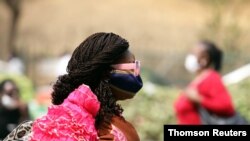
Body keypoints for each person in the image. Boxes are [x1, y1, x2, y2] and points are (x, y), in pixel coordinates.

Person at [4, 32, 143, 141]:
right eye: (132, 67)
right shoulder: (82, 128)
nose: (137, 73)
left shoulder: (111, 120)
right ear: (105, 72)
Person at [174, 40, 235, 124]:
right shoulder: (198, 79)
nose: (190, 56)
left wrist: (199, 99)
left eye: (193, 53)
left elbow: (226, 106)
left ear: (204, 59)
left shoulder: (212, 78)